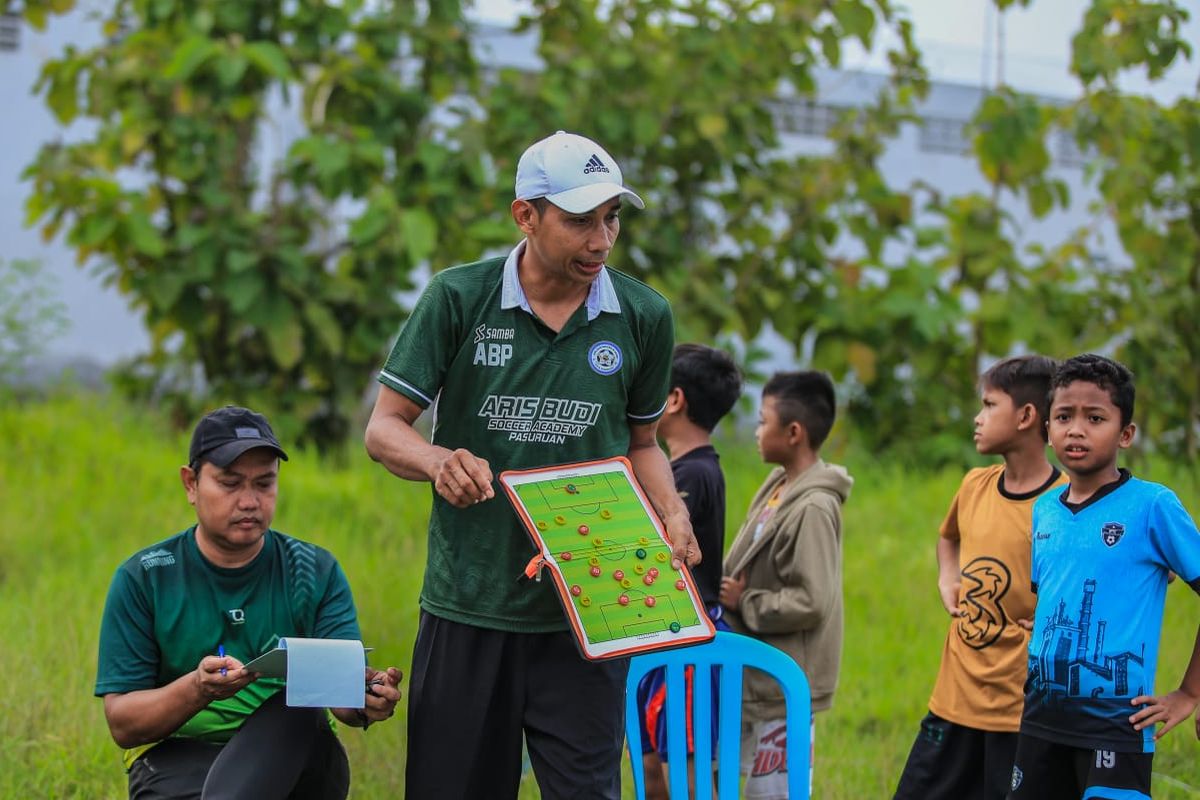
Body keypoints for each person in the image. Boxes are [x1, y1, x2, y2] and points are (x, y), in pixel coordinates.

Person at [363, 130, 700, 800]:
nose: (601, 242)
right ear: (526, 215)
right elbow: (384, 429)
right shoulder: (458, 299)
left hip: (588, 612)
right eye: (580, 221)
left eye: (612, 218)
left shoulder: (642, 315)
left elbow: (642, 444)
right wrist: (437, 461)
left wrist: (672, 509)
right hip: (470, 602)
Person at [94, 406, 403, 800]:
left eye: (264, 484)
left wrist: (367, 699)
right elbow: (123, 724)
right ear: (190, 484)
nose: (249, 501)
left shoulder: (314, 570)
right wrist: (198, 688)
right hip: (177, 757)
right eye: (230, 483)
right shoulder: (146, 577)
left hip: (296, 759)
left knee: (300, 711)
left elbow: (340, 698)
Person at [1004, 354, 1200, 799]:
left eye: (1095, 418)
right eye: (1064, 417)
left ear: (1125, 433)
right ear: (1047, 431)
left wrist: (1189, 692)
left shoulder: (1153, 507)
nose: (1076, 429)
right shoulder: (1044, 510)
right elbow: (1056, 596)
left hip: (1117, 726)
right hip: (1041, 718)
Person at [893, 355, 1065, 800]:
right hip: (954, 698)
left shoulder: (1066, 504)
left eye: (989, 405)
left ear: (1026, 416)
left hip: (1019, 708)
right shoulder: (974, 485)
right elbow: (947, 537)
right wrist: (947, 578)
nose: (978, 417)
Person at [719, 370, 853, 799]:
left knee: (774, 793)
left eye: (762, 421)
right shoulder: (779, 484)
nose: (756, 431)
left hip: (784, 681)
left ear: (793, 432)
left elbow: (813, 599)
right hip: (757, 675)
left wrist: (747, 600)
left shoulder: (813, 505)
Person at [636, 343, 743, 798]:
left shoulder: (695, 475)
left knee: (687, 771)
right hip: (660, 635)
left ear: (674, 399)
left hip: (689, 635)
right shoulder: (678, 470)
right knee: (651, 765)